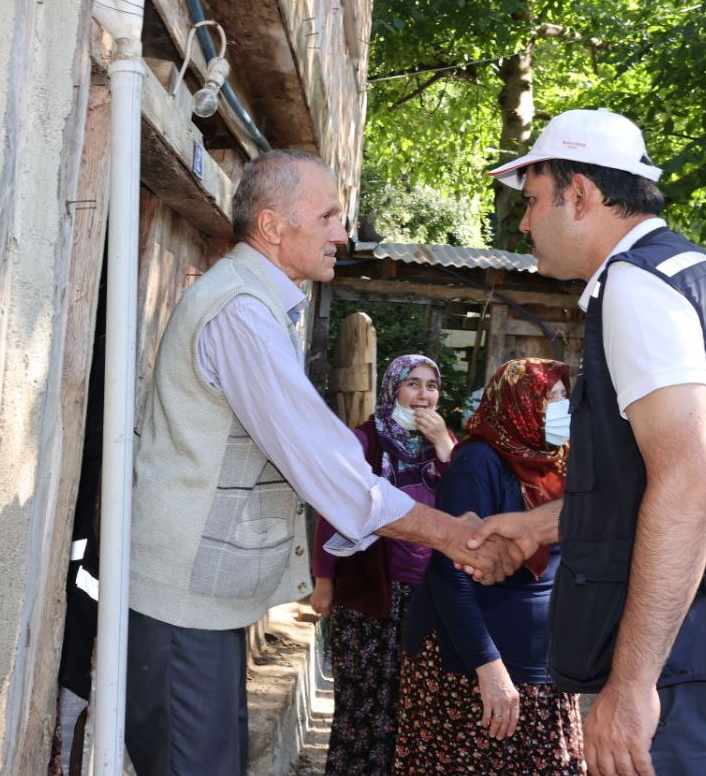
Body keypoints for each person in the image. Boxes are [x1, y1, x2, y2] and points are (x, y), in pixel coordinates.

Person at [124, 149, 523, 776]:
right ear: (273, 226)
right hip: (181, 604)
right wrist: (455, 537)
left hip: (200, 601)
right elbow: (329, 468)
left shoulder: (256, 304)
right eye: (330, 215)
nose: (343, 232)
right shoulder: (242, 314)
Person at [469, 109, 706, 775]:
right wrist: (536, 527)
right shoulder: (691, 276)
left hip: (693, 664)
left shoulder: (638, 286)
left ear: (581, 194)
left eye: (533, 200)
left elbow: (691, 484)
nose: (522, 222)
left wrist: (631, 689)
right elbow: (649, 482)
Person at [396, 358, 585, 775]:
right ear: (518, 404)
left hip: (543, 662)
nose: (561, 408)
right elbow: (451, 574)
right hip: (471, 664)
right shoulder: (478, 463)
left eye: (563, 397)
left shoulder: (562, 463)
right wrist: (489, 667)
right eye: (549, 398)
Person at [310, 354, 455, 774]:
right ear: (394, 389)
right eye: (412, 383)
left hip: (427, 596)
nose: (423, 394)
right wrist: (324, 581)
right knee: (363, 701)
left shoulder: (447, 447)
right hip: (369, 592)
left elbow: (467, 504)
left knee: (415, 704)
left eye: (431, 385)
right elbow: (331, 513)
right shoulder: (364, 441)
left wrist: (445, 445)